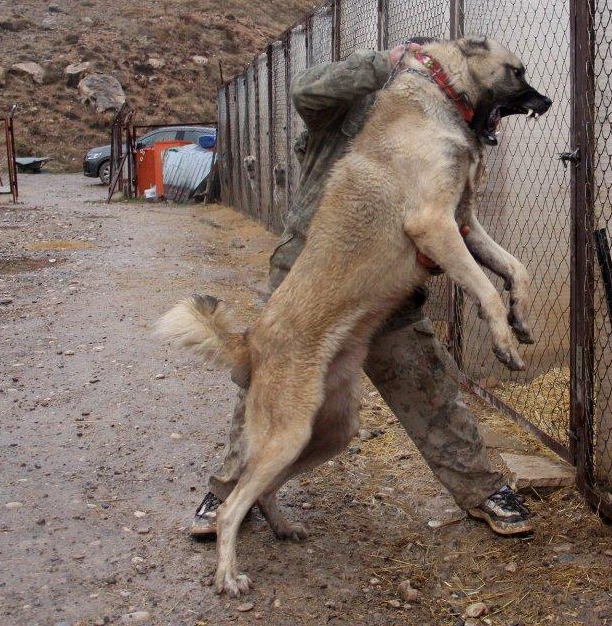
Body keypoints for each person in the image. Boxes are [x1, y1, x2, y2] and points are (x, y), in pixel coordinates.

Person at [189, 39, 533, 538]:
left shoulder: (447, 122)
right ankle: (225, 494)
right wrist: (381, 63)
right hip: (313, 275)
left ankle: (482, 490)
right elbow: (306, 90)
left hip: (389, 289)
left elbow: (443, 219)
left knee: (428, 387)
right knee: (262, 392)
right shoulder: (357, 96)